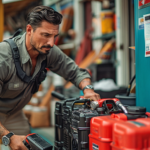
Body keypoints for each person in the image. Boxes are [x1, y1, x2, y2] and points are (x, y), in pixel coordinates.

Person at [0, 6, 100, 150]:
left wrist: (88, 89)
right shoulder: (3, 58)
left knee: (28, 146)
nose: (51, 43)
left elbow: (75, 72)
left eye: (55, 36)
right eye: (45, 35)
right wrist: (8, 137)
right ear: (29, 30)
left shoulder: (48, 51)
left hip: (15, 113)